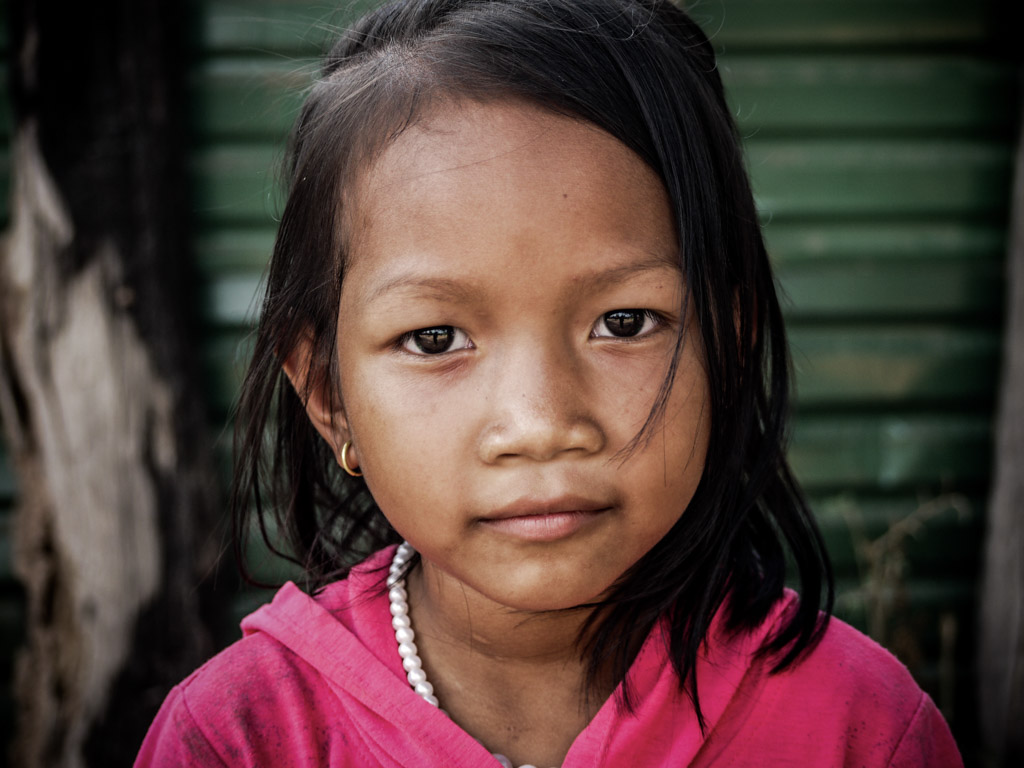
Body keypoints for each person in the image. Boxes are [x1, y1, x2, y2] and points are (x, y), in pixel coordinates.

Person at [136, 0, 963, 765]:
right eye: (435, 338)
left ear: (732, 348)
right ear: (328, 394)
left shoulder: (862, 730)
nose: (539, 423)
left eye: (625, 323)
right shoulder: (238, 739)